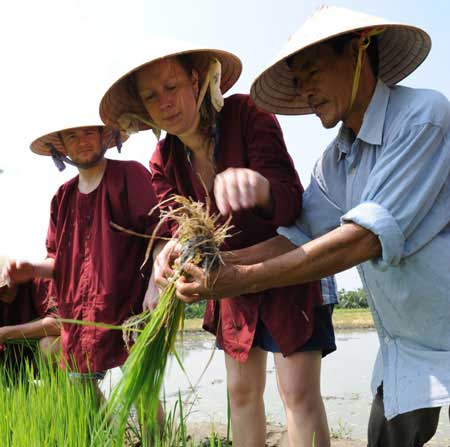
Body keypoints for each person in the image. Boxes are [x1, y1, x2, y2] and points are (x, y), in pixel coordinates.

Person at [174, 6, 450, 447]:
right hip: (406, 351)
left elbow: (363, 239)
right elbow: (296, 237)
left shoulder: (423, 117)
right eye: (297, 80)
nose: (305, 90)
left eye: (312, 71)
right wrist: (216, 264)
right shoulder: (335, 163)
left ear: (360, 47)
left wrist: (238, 279)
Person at [99, 43, 337, 447]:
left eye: (171, 86)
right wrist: (165, 257)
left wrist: (259, 188)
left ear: (196, 81)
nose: (165, 102)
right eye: (151, 96)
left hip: (286, 268)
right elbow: (178, 231)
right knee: (240, 394)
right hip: (228, 284)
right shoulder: (163, 159)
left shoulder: (248, 115)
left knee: (296, 392)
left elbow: (293, 203)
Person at [2, 124, 164, 421]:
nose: (82, 141)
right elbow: (58, 262)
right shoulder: (61, 198)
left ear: (105, 135)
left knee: (143, 391)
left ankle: (155, 441)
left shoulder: (129, 175)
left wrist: (155, 285)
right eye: (72, 136)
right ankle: (114, 434)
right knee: (81, 389)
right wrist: (32, 269)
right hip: (82, 314)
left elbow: (159, 234)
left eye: (89, 132)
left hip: (132, 309)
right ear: (61, 146)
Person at [0, 257, 60, 373]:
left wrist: (5, 333)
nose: (2, 293)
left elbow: (58, 323)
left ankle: (51, 387)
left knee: (51, 345)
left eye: (5, 287)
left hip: (36, 356)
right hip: (10, 361)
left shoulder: (38, 282)